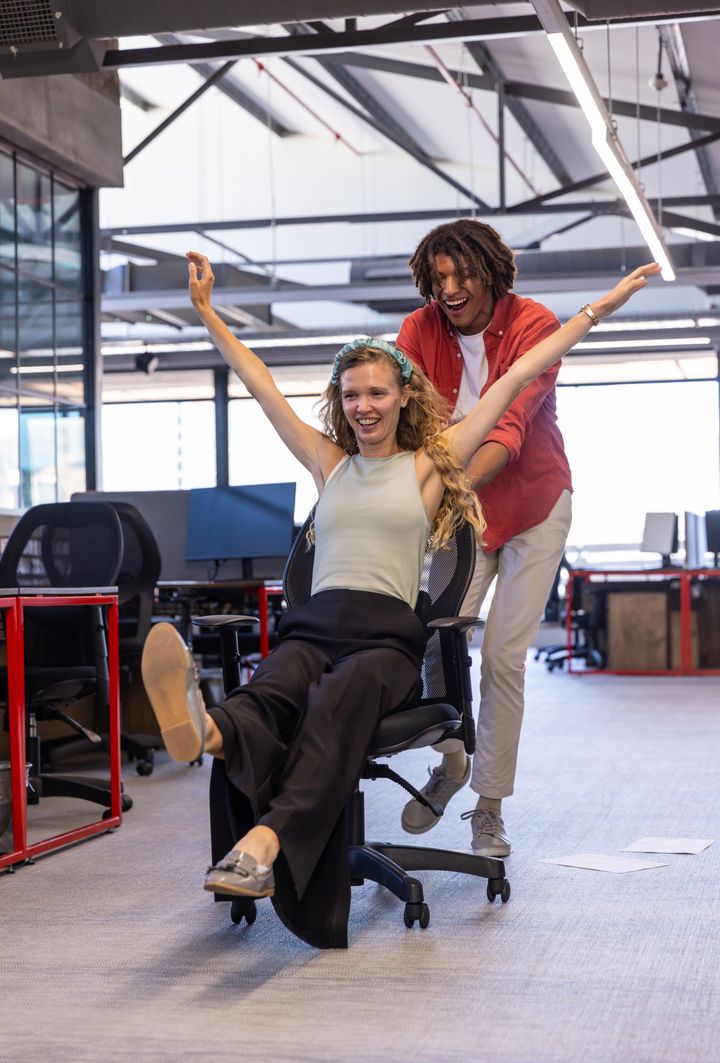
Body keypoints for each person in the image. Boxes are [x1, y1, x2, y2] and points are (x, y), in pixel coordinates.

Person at [140, 251, 659, 949]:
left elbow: (518, 375)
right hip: (313, 625)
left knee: (339, 699)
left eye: (377, 393)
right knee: (276, 683)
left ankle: (264, 843)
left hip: (384, 639)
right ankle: (205, 733)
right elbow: (259, 384)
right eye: (352, 395)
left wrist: (600, 310)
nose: (364, 406)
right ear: (340, 402)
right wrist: (208, 315)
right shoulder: (329, 463)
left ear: (403, 398)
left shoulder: (427, 467)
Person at [396, 219, 573, 858]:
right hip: (459, 513)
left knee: (501, 655)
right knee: (438, 639)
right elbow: (403, 423)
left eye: (461, 274)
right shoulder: (419, 331)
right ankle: (451, 765)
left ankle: (489, 807)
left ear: (490, 269)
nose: (448, 288)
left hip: (532, 505)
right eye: (437, 277)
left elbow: (509, 430)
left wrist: (440, 496)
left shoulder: (534, 325)